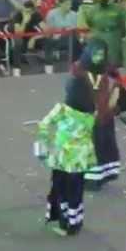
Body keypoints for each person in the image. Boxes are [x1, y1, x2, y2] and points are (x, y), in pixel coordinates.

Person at [36, 76, 97, 237]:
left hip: (63, 155)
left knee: (61, 188)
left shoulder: (62, 109)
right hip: (82, 156)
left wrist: (44, 141)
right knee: (77, 190)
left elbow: (44, 124)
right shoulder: (90, 110)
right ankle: (75, 222)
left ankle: (64, 222)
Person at [72, 39, 121, 190]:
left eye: (101, 54)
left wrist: (113, 99)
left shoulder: (107, 68)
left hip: (104, 115)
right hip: (86, 114)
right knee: (89, 146)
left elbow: (116, 84)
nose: (99, 57)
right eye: (95, 54)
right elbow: (74, 93)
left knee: (103, 145)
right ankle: (88, 179)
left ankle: (101, 176)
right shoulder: (79, 70)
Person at [84, 0, 124, 67]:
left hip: (113, 37)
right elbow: (89, 22)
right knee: (98, 61)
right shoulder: (94, 10)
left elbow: (121, 22)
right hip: (98, 36)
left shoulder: (117, 8)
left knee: (112, 62)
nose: (112, 0)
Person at [45, 0, 81, 66]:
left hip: (71, 39)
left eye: (70, 4)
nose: (70, 6)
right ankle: (49, 66)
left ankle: (74, 65)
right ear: (61, 4)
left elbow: (76, 29)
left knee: (76, 40)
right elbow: (48, 31)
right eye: (67, 4)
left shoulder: (74, 15)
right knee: (49, 41)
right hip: (55, 39)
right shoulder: (51, 14)